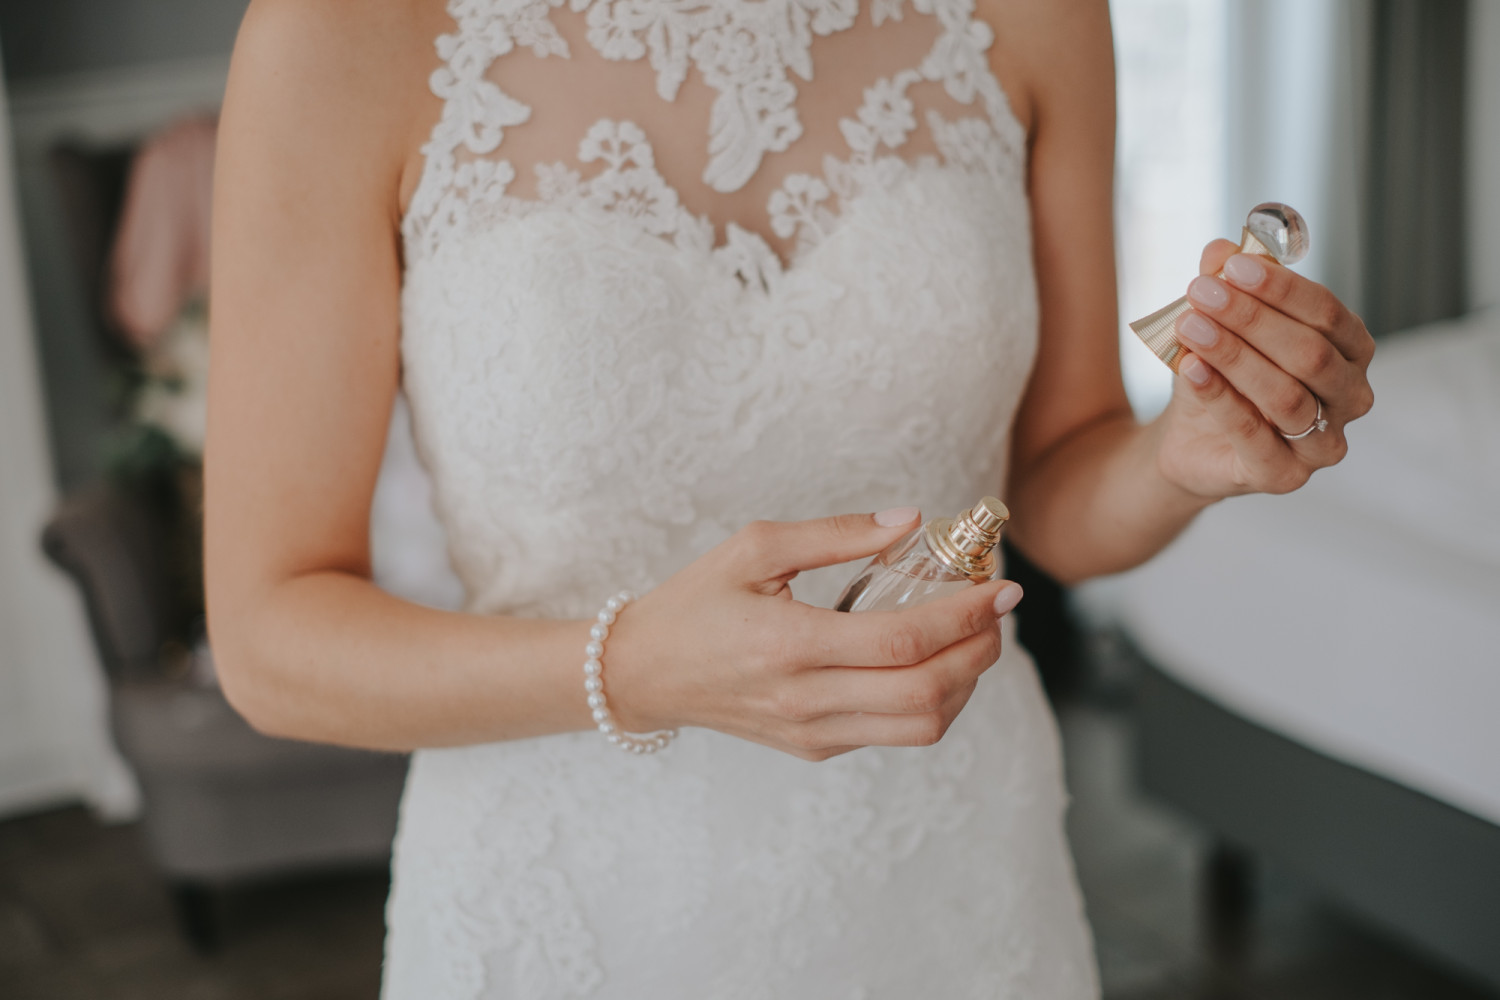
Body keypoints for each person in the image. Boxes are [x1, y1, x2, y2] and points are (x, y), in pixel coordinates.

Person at [205, 0, 1375, 994]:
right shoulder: (342, 34)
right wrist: (632, 667)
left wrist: (1182, 456)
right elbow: (268, 639)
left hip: (952, 877)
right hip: (566, 905)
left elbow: (1056, 480)